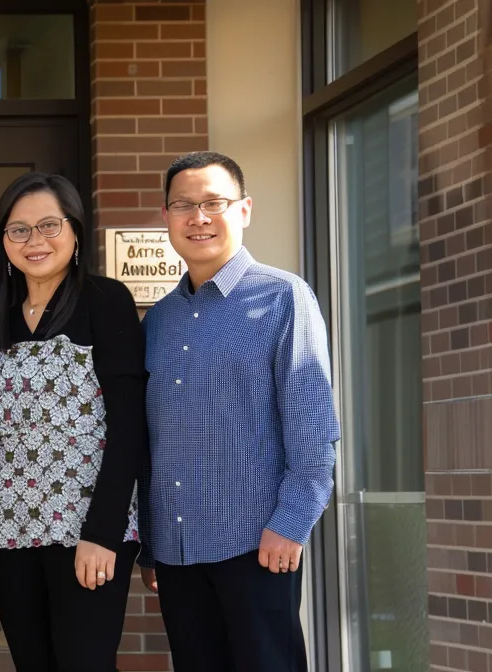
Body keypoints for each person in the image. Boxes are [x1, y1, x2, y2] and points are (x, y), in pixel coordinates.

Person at [139, 151, 338, 672]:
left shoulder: (283, 298)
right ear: (166, 217)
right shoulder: (158, 321)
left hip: (257, 543)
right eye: (183, 205)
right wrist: (152, 545)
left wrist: (292, 523)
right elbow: (153, 438)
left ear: (244, 209)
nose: (198, 217)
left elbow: (313, 429)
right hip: (179, 553)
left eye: (213, 203)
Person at [0, 172, 149, 670]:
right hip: (10, 529)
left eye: (48, 225)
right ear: (4, 242)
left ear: (75, 231)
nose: (34, 241)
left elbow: (129, 425)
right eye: (18, 229)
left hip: (86, 527)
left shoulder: (106, 302)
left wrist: (103, 532)